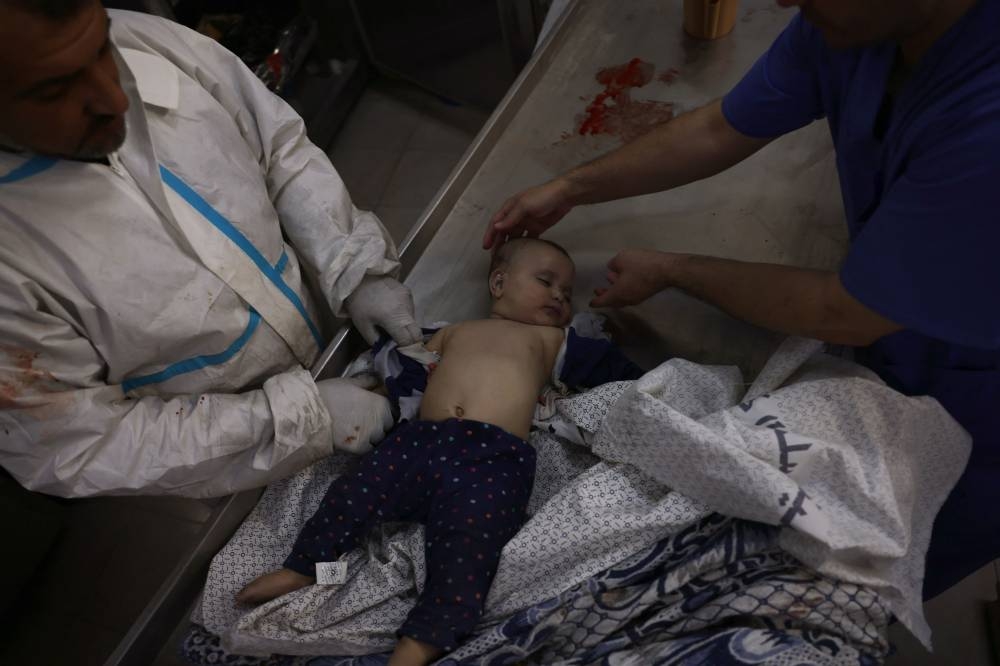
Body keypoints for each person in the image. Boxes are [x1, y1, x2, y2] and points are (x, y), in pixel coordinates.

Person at [484, 0, 1000, 600]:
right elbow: (720, 128)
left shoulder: (984, 126)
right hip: (896, 327)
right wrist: (572, 186)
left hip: (982, 395)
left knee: (853, 574)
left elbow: (845, 312)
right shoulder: (856, 24)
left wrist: (673, 268)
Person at [0, 0, 423, 497]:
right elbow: (77, 445)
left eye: (101, 48)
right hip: (225, 469)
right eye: (56, 90)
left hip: (336, 342)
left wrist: (354, 266)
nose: (114, 97)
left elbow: (277, 149)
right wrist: (297, 418)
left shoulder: (145, 41)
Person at [236, 238, 643, 666]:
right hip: (418, 441)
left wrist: (647, 381)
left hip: (491, 460)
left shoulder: (549, 339)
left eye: (567, 291)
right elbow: (405, 363)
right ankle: (306, 565)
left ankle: (427, 635)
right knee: (352, 494)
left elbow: (607, 367)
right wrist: (375, 383)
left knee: (469, 551)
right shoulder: (454, 331)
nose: (559, 295)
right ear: (499, 282)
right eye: (546, 281)